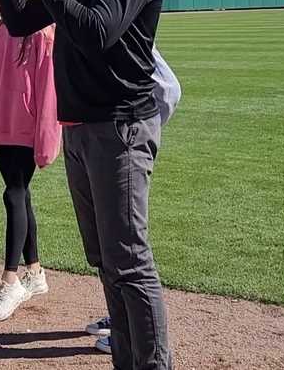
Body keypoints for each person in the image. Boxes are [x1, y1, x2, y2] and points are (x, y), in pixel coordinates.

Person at [0, 0, 172, 369]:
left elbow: (98, 31)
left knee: (129, 262)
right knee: (107, 262)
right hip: (82, 125)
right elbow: (21, 22)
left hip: (121, 125)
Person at [0, 0, 60, 322]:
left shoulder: (38, 34)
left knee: (13, 194)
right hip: (1, 131)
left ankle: (10, 280)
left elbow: (47, 88)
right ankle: (35, 273)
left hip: (25, 131)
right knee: (20, 198)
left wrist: (46, 138)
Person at [88, 44, 182, 355]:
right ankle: (122, 322)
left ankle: (133, 330)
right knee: (107, 252)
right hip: (91, 139)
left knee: (129, 256)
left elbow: (169, 89)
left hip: (124, 139)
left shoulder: (118, 26)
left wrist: (142, 135)